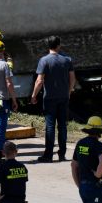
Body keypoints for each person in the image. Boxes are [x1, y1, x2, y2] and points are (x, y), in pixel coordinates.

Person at [31, 35, 76, 163]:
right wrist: (69, 91)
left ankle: (48, 155)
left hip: (49, 98)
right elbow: (72, 78)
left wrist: (34, 95)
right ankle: (62, 154)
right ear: (59, 45)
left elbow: (40, 81)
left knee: (50, 126)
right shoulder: (67, 60)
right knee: (62, 126)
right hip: (63, 97)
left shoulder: (44, 60)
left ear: (48, 46)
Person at [72, 116, 102, 203]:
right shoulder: (98, 145)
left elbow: (73, 165)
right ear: (99, 132)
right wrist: (97, 175)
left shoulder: (80, 143)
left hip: (84, 186)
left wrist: (79, 185)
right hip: (96, 186)